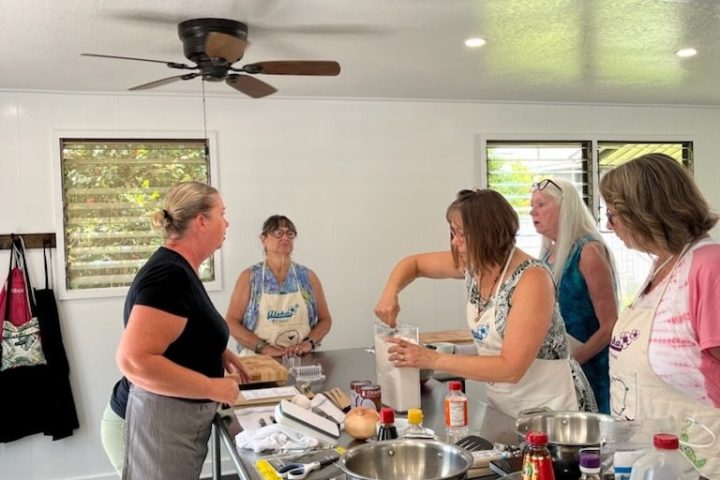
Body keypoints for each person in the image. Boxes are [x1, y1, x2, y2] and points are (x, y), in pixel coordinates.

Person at [374, 189, 596, 418]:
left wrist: (431, 359)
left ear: (488, 234)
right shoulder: (473, 265)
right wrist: (390, 293)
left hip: (555, 410)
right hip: (508, 408)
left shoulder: (532, 279)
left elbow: (511, 368)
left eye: (461, 234)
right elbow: (414, 264)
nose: (455, 242)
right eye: (453, 232)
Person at [100, 181, 249, 479]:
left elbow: (181, 330)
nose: (227, 222)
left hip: (170, 424)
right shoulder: (169, 275)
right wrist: (212, 387)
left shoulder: (180, 269)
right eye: (222, 213)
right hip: (149, 423)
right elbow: (133, 360)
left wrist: (217, 350)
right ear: (201, 221)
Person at [600, 153, 720, 477]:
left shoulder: (709, 266)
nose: (610, 227)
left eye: (612, 215)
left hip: (700, 465)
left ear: (642, 212)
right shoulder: (664, 264)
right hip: (649, 463)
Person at [530, 178, 618, 413]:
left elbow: (610, 325)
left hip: (590, 373)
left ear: (565, 207)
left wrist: (573, 362)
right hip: (558, 373)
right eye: (532, 205)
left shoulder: (588, 251)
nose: (532, 212)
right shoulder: (547, 255)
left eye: (541, 204)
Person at [226, 215, 331, 357]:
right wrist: (267, 349)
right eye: (278, 233)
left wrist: (307, 343)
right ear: (263, 239)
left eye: (290, 233)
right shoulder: (250, 277)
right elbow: (231, 322)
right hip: (259, 361)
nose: (285, 238)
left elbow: (325, 320)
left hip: (300, 360)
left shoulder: (307, 277)